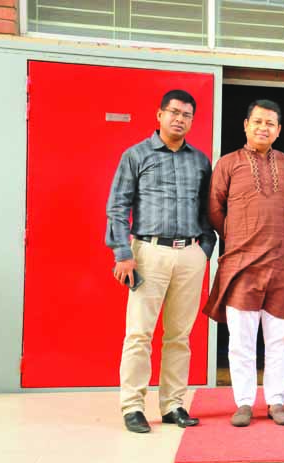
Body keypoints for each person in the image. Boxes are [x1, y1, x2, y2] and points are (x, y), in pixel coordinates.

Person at [106, 89, 216, 434]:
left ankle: (173, 405)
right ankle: (133, 406)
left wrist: (204, 250)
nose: (179, 119)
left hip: (190, 255)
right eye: (174, 112)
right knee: (139, 333)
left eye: (186, 115)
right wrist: (123, 254)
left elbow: (207, 211)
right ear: (159, 114)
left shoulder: (199, 161)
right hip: (148, 253)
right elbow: (117, 206)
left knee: (180, 335)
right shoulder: (136, 155)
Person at [203, 100, 284, 427]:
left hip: (280, 265)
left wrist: (273, 236)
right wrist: (238, 234)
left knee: (281, 339)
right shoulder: (228, 163)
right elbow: (215, 209)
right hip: (240, 264)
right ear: (245, 125)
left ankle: (276, 401)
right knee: (241, 340)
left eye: (270, 123)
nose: (263, 128)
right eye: (258, 121)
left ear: (279, 130)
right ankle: (243, 402)